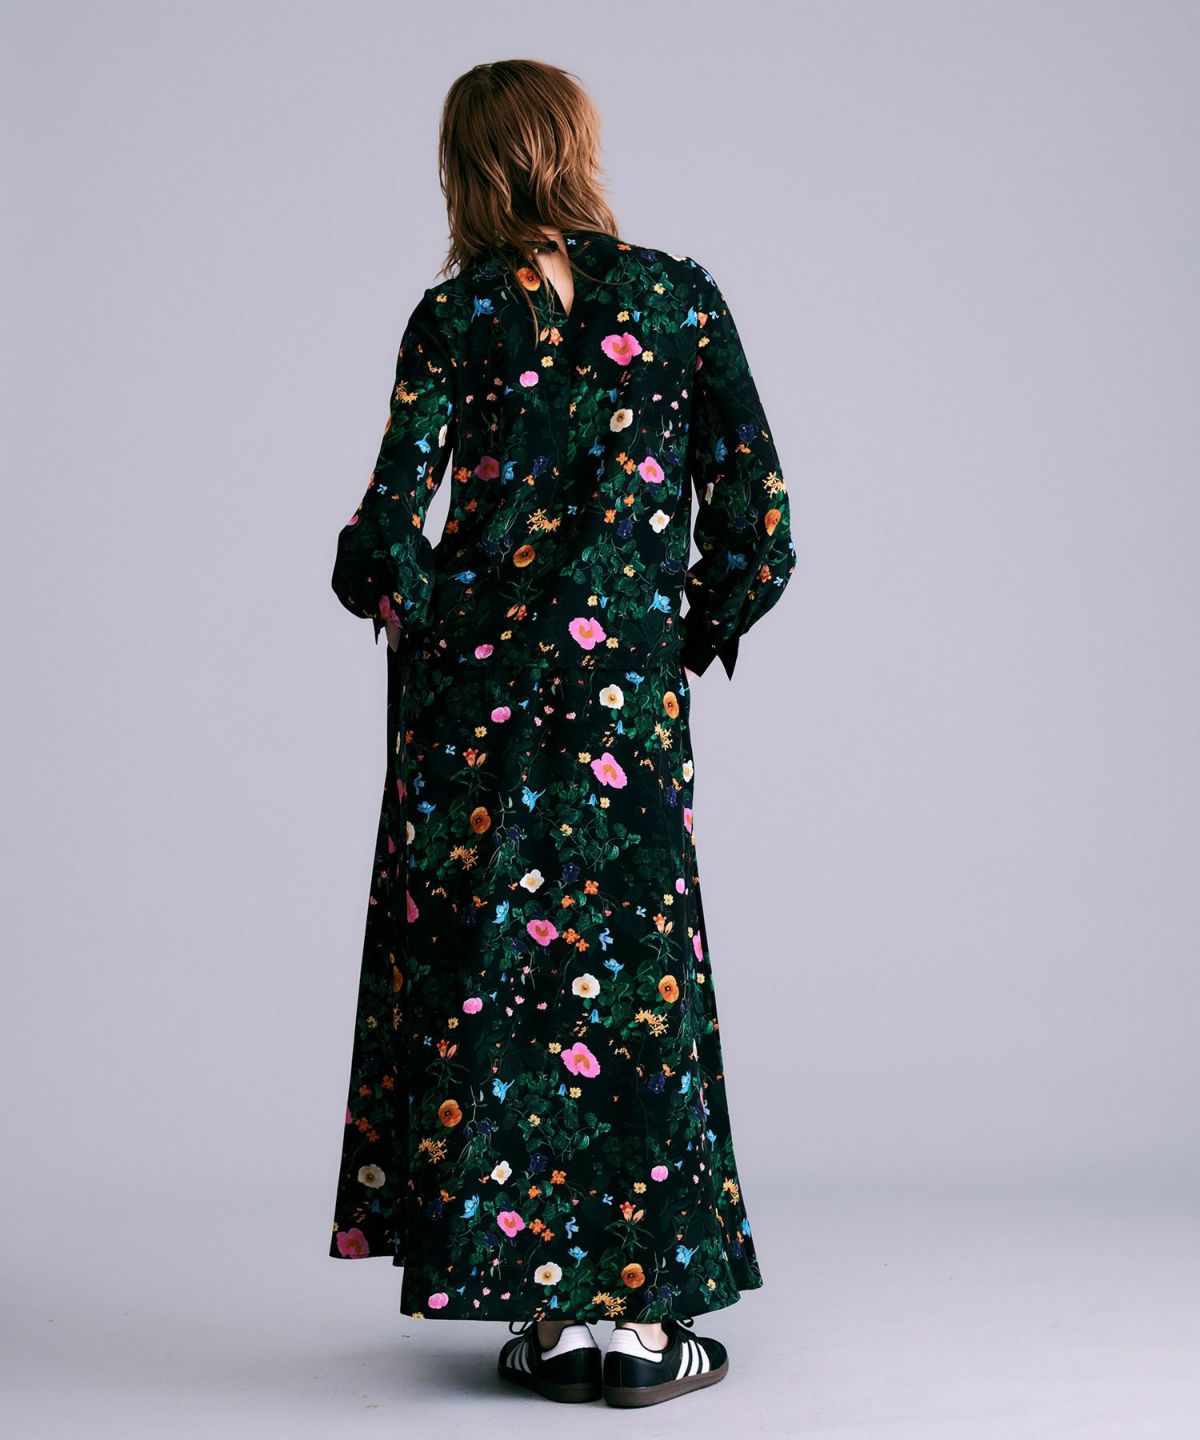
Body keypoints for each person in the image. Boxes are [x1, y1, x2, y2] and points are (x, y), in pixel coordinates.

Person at [328, 58, 796, 1408]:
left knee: (498, 983)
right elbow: (760, 520)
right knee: (632, 976)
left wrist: (398, 602)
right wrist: (673, 635)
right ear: (577, 149)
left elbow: (386, 531)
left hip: (472, 709)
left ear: (466, 170)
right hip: (623, 707)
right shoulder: (680, 301)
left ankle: (549, 1318)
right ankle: (642, 1326)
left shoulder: (453, 316)